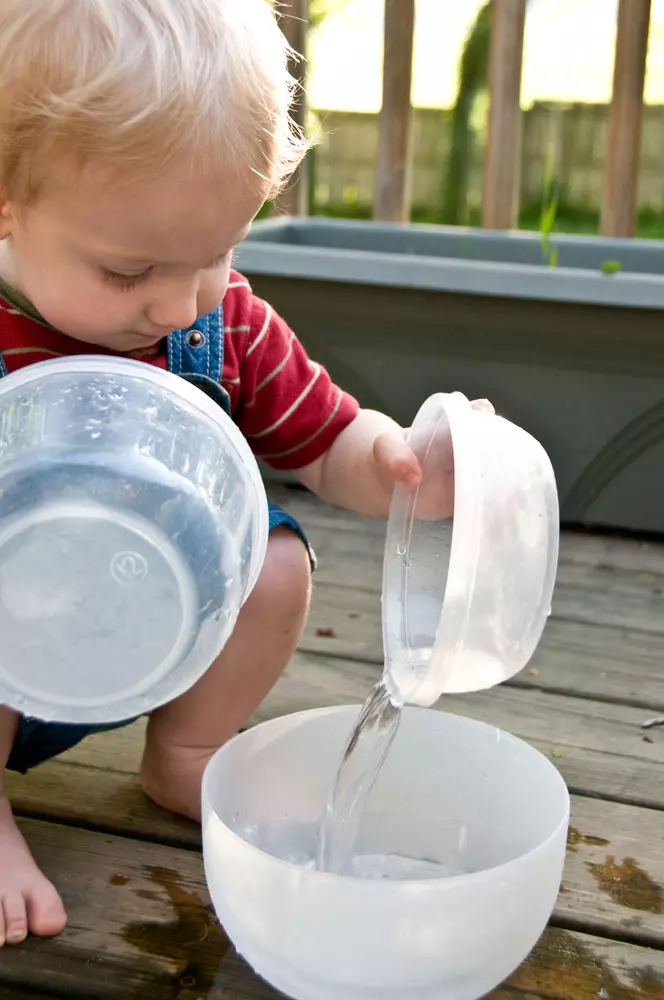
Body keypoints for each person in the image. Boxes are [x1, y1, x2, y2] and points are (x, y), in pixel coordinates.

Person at [0, 0, 489, 947]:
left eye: (219, 254)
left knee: (274, 558)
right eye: (129, 269)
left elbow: (329, 441)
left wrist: (404, 467)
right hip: (15, 629)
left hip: (160, 622)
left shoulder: (217, 324)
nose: (178, 304)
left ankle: (188, 752)